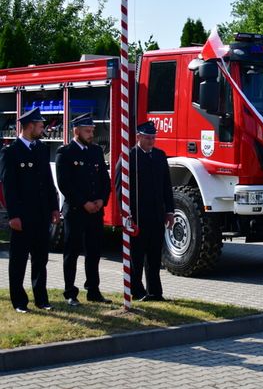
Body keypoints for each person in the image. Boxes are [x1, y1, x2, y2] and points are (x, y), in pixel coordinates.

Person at [0, 108, 60, 313]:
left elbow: (48, 182)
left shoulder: (41, 149)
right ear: (29, 126)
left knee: (40, 259)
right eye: (40, 125)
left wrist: (54, 208)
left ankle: (41, 299)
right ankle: (18, 301)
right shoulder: (11, 151)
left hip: (42, 214)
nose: (44, 128)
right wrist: (14, 215)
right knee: (18, 260)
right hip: (23, 216)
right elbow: (9, 187)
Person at [55, 113, 112, 306]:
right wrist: (83, 203)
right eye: (87, 131)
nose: (91, 134)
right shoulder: (65, 152)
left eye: (92, 131)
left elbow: (105, 180)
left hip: (95, 212)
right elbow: (64, 184)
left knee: (94, 252)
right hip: (76, 212)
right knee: (72, 252)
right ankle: (70, 292)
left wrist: (101, 200)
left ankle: (93, 290)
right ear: (76, 130)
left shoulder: (95, 151)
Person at [115, 121, 174, 301]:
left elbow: (166, 186)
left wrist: (170, 211)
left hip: (156, 215)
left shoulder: (159, 156)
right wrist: (126, 215)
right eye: (148, 138)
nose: (151, 141)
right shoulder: (128, 157)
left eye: (153, 138)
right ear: (138, 137)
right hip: (138, 216)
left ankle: (155, 292)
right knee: (137, 257)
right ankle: (137, 290)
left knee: (155, 257)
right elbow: (120, 189)